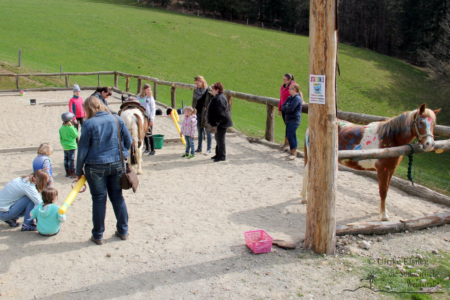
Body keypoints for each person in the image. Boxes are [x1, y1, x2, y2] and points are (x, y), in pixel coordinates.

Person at [76, 96, 132, 245]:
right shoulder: (116, 119)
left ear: (88, 109)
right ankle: (123, 230)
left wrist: (78, 171)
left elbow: (82, 150)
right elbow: (129, 141)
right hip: (117, 164)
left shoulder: (88, 124)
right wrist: (122, 154)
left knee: (99, 200)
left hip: (95, 166)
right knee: (117, 197)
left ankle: (98, 234)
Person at [206, 82, 233, 162]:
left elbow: (220, 112)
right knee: (217, 138)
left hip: (222, 122)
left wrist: (216, 121)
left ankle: (222, 156)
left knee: (220, 139)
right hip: (220, 121)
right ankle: (218, 153)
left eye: (213, 89)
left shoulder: (219, 98)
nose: (212, 91)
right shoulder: (218, 97)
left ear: (217, 90)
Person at [281, 83, 303, 160]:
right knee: (292, 135)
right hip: (288, 119)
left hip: (294, 119)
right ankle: (293, 150)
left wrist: (286, 108)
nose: (289, 90)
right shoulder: (290, 98)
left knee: (290, 135)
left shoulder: (297, 99)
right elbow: (283, 106)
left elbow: (291, 109)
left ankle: (293, 152)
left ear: (295, 90)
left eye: (290, 89)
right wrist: (286, 108)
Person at [192, 75, 213, 154]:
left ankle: (209, 149)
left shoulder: (209, 91)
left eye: (198, 83)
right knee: (199, 131)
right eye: (196, 83)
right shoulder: (196, 90)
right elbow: (194, 101)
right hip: (197, 112)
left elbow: (211, 103)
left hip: (206, 113)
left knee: (208, 131)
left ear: (202, 82)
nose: (197, 84)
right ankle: (199, 147)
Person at [136, 83, 156, 155]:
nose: (149, 91)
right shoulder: (140, 97)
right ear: (144, 90)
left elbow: (153, 108)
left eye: (150, 90)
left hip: (148, 117)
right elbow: (139, 104)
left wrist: (152, 119)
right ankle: (147, 148)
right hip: (142, 116)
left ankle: (153, 149)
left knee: (149, 133)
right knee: (143, 133)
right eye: (148, 90)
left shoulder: (150, 98)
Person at [278, 74, 295, 151]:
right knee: (286, 125)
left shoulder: (292, 87)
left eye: (285, 79)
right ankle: (286, 143)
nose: (283, 80)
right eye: (283, 79)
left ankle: (289, 144)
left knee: (289, 126)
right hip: (284, 109)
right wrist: (279, 108)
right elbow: (281, 97)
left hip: (289, 109)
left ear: (289, 80)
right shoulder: (283, 86)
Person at [59, 112, 79, 178]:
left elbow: (61, 138)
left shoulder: (61, 128)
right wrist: (75, 127)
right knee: (71, 159)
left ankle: (67, 172)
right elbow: (76, 135)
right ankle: (72, 172)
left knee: (66, 159)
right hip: (71, 146)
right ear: (70, 120)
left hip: (65, 146)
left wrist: (63, 144)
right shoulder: (71, 128)